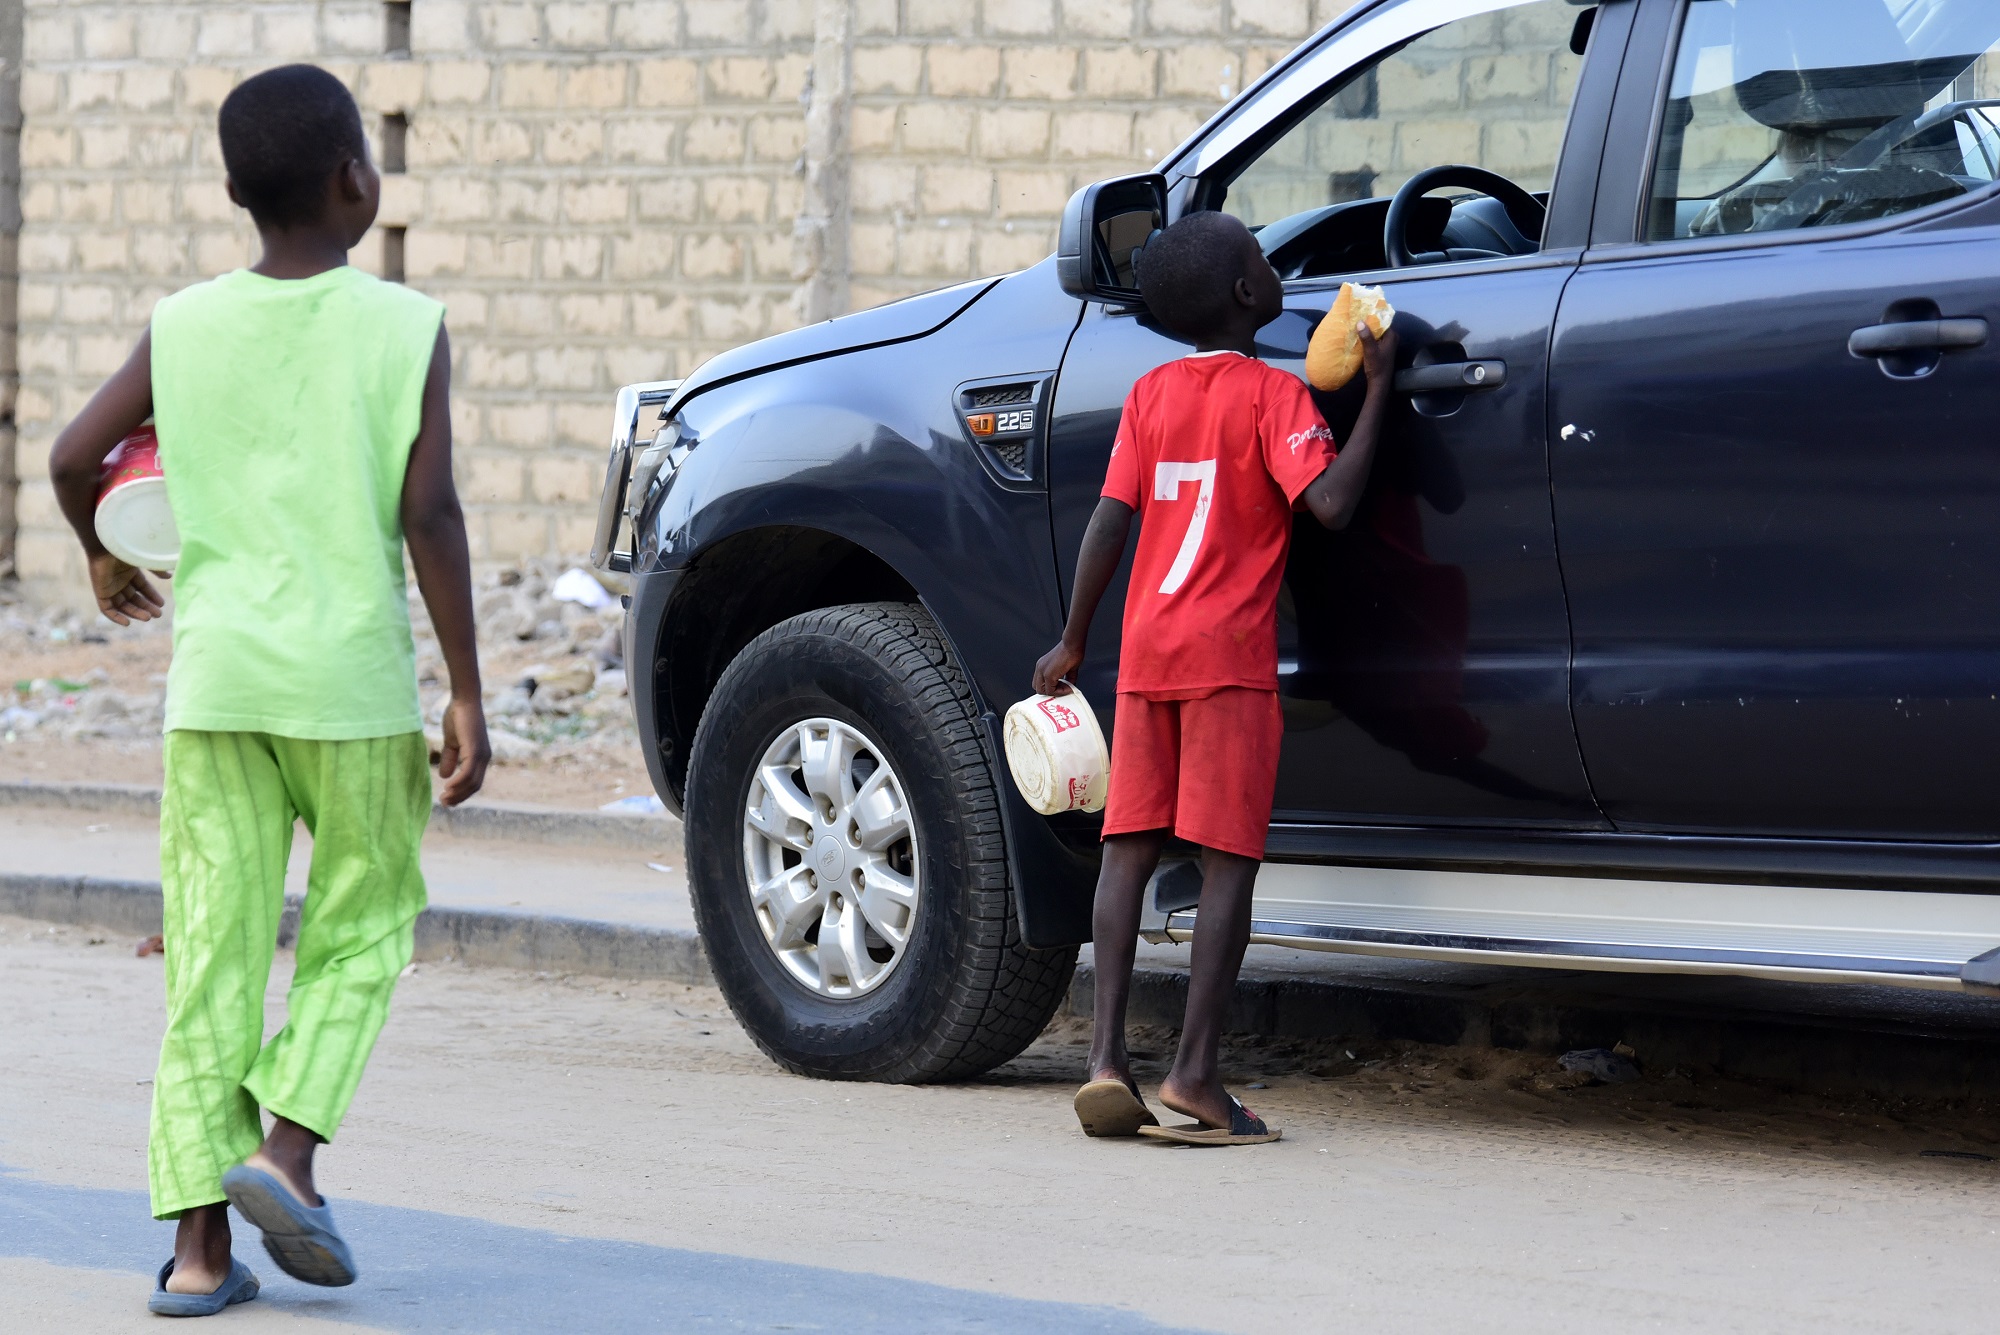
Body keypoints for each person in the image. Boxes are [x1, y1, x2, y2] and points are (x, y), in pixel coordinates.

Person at [46, 64, 491, 1315]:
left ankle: (196, 1259)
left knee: (211, 961)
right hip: (350, 690)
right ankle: (284, 1154)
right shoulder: (403, 325)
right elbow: (431, 516)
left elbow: (75, 455)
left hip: (218, 689)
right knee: (362, 928)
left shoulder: (183, 323)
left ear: (240, 194)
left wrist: (101, 549)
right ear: (357, 178)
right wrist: (464, 690)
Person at [1032, 210, 1396, 1147]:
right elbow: (1332, 504)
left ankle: (1107, 1061)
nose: (1275, 271)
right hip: (1229, 665)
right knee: (1226, 861)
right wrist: (1382, 389)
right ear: (1247, 294)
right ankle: (1195, 1072)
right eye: (1265, 263)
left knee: (1128, 853)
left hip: (1146, 657)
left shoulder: (1151, 395)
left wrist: (1073, 639)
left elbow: (1110, 523)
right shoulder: (1274, 397)